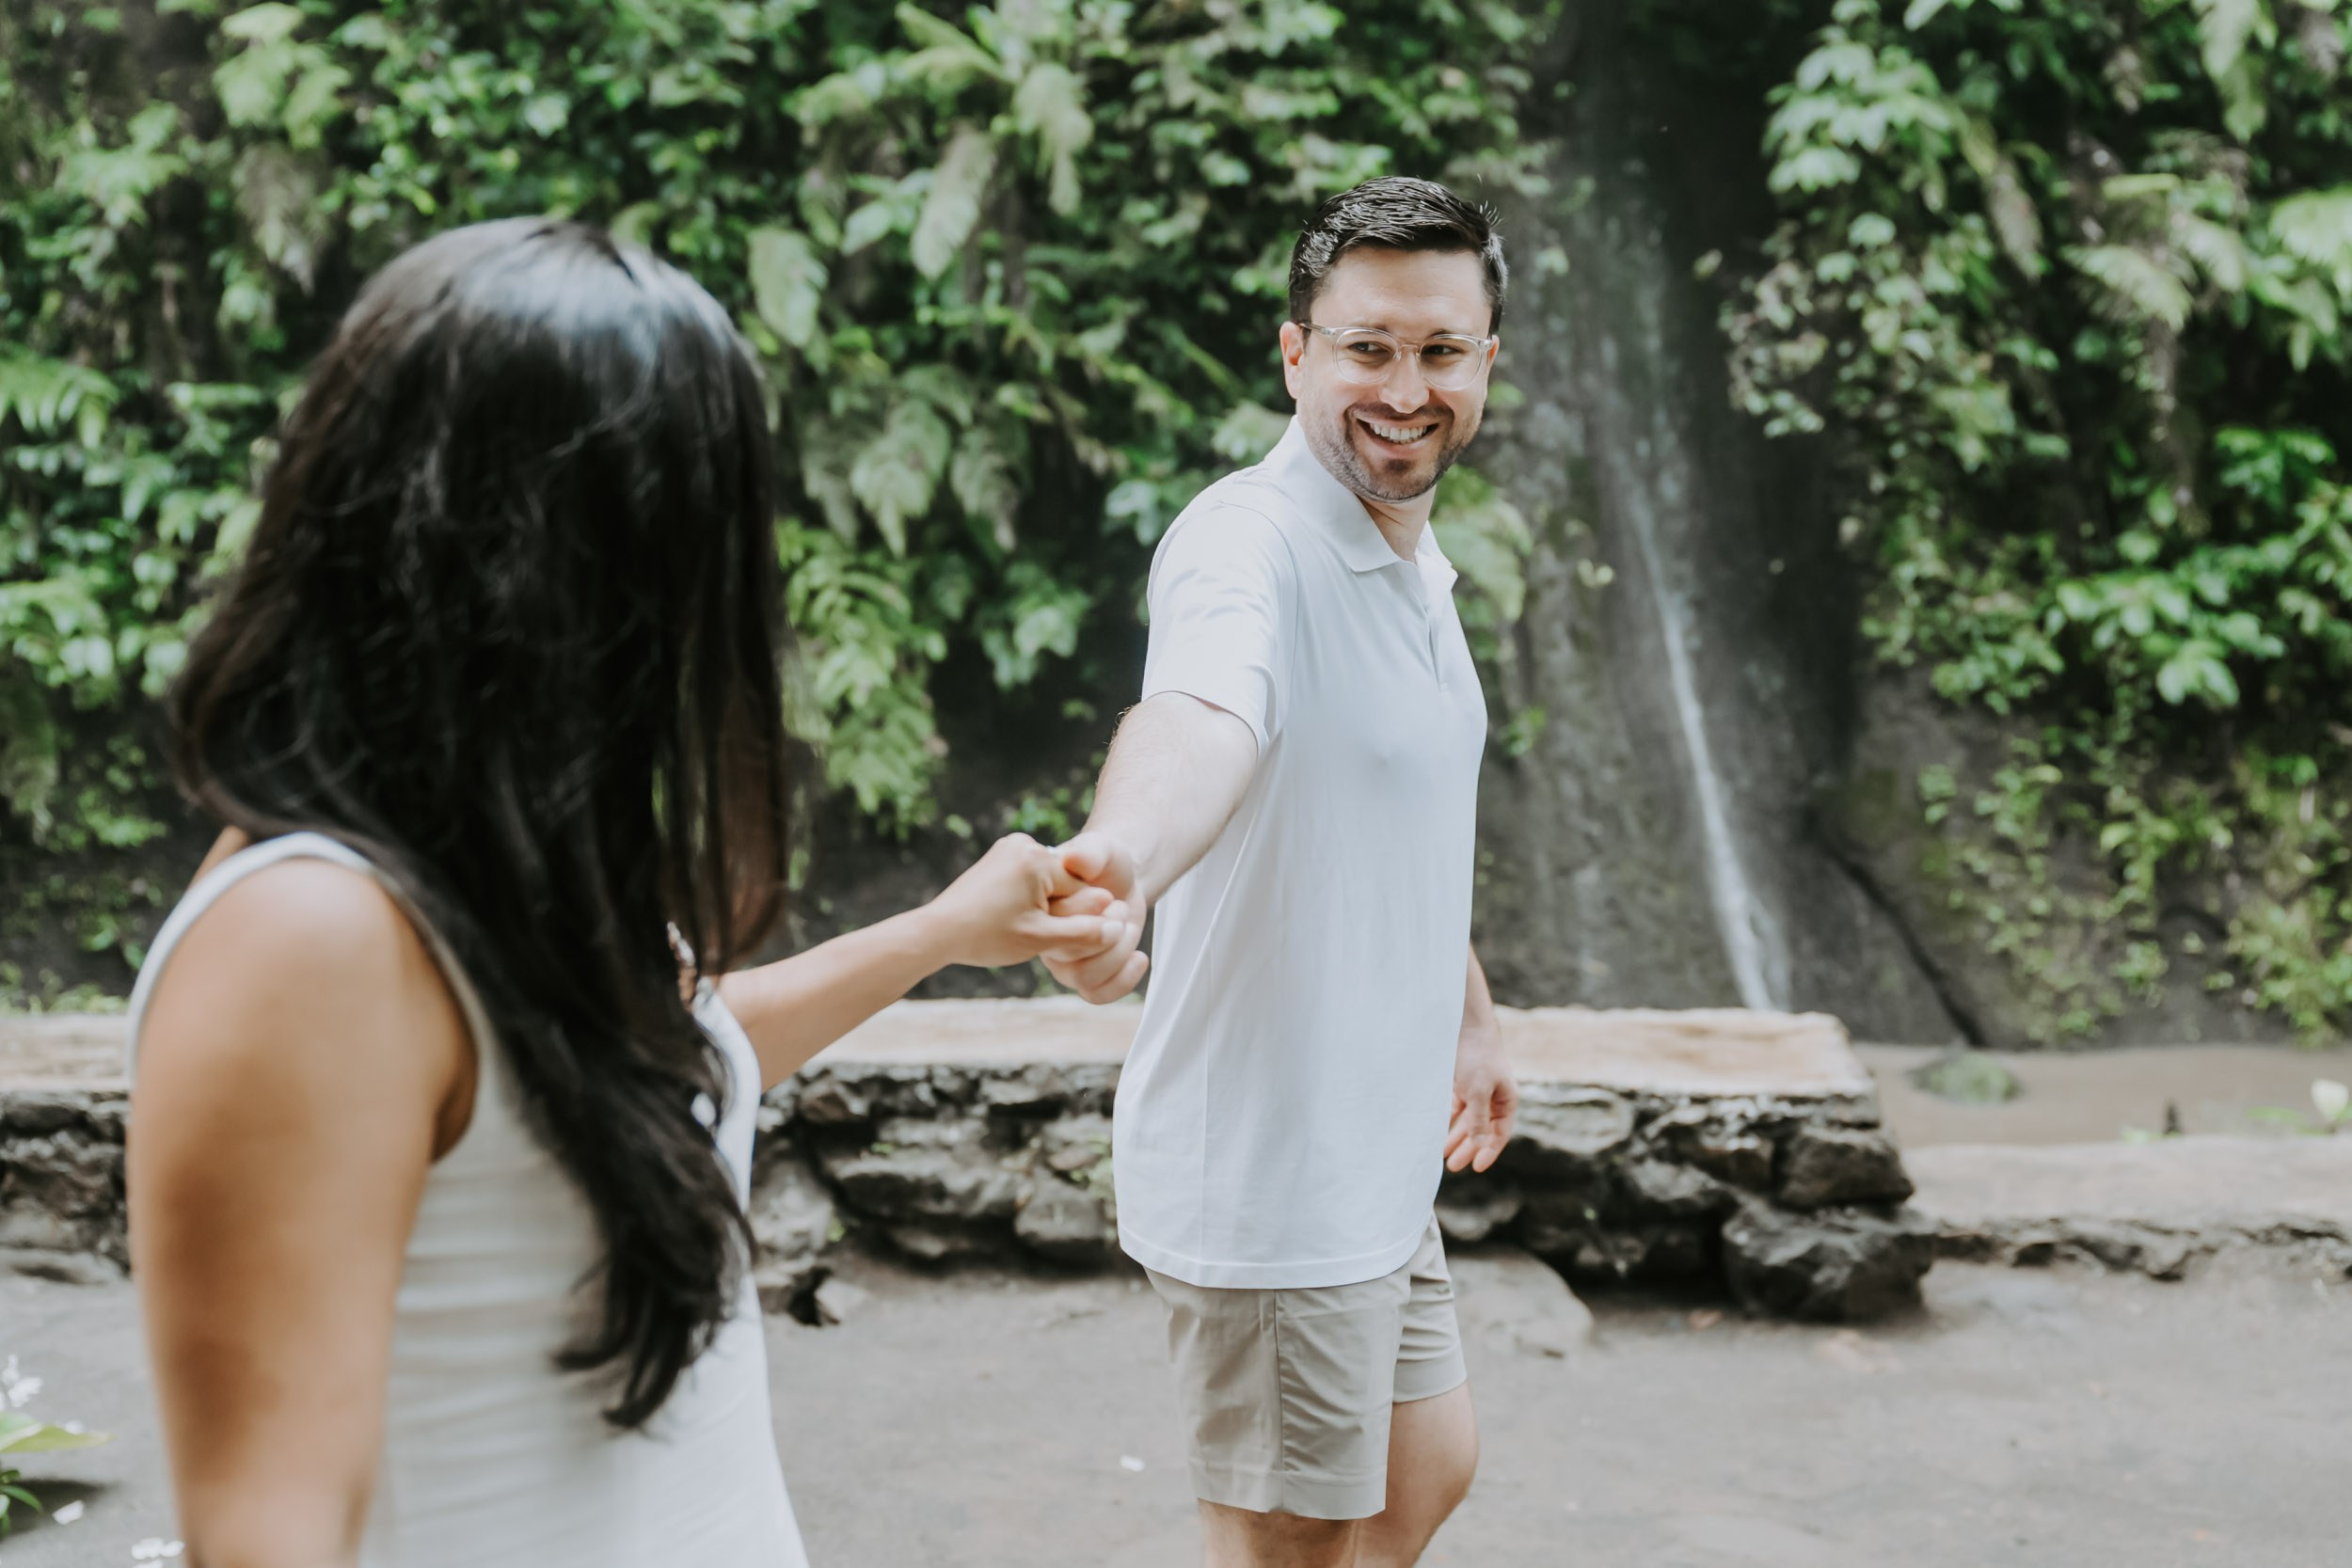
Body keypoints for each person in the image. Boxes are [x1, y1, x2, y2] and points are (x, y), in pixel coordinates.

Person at [123, 217, 1144, 1568]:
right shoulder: (308, 941)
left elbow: (646, 1073)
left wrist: (944, 934)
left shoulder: (473, 854)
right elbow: (266, 1539)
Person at [1042, 177, 1521, 1568]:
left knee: (1425, 1470)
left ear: (1487, 358)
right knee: (1289, 1545)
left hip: (1369, 1149)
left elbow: (1389, 805)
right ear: (1295, 350)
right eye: (1367, 347)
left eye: (1440, 352)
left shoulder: (1408, 552)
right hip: (1273, 1172)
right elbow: (1203, 718)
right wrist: (1118, 863)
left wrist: (1468, 1008)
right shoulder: (1246, 544)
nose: (1405, 388)